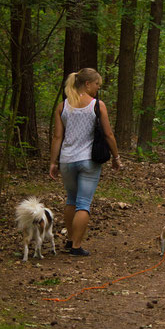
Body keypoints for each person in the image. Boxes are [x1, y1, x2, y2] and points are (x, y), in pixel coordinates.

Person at [49, 68, 122, 256]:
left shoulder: (63, 106)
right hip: (89, 161)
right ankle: (76, 246)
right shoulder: (97, 105)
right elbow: (108, 134)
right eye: (97, 84)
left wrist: (53, 162)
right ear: (87, 84)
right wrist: (116, 157)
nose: (98, 88)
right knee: (83, 203)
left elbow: (57, 137)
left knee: (71, 200)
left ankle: (69, 240)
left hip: (67, 160)